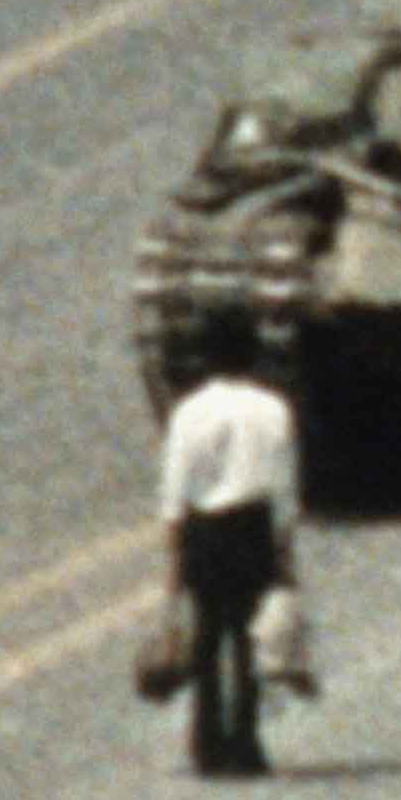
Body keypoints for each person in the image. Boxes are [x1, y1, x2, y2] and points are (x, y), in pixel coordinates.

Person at [153, 320, 306, 775]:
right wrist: (284, 545)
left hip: (204, 528)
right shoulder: (273, 409)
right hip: (251, 526)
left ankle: (205, 739)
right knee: (247, 635)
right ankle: (245, 741)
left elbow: (175, 484)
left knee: (205, 632)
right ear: (253, 357)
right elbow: (282, 482)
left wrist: (175, 552)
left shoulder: (188, 411)